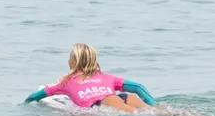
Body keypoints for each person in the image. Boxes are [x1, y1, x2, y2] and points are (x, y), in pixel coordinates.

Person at [24, 43, 156, 110]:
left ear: (72, 62)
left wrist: (25, 103)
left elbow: (37, 95)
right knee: (151, 111)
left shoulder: (65, 83)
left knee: (131, 113)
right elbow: (138, 87)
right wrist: (153, 103)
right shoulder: (108, 77)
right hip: (122, 98)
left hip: (103, 104)